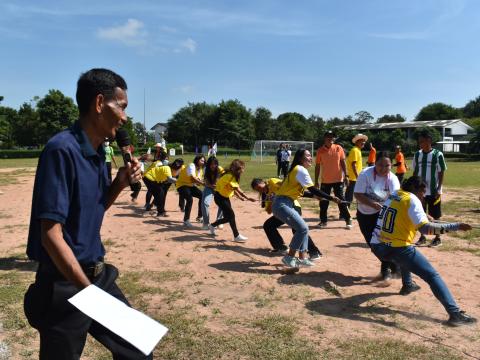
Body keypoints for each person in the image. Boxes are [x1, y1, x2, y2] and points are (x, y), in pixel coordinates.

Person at [23, 68, 151, 359]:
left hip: (96, 276)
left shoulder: (97, 153)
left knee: (140, 349)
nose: (124, 117)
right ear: (98, 104)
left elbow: (92, 209)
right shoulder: (61, 150)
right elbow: (50, 234)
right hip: (64, 285)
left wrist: (118, 184)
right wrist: (87, 293)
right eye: (121, 106)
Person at [370, 176, 477, 327]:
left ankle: (408, 285)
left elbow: (401, 212)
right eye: (422, 192)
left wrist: (422, 215)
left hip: (377, 246)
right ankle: (455, 314)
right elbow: (426, 229)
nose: (423, 196)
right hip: (396, 248)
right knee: (432, 275)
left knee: (407, 256)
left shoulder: (396, 194)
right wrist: (456, 226)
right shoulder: (412, 199)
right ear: (415, 189)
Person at [272, 149, 342, 268]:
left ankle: (302, 258)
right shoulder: (301, 169)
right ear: (300, 158)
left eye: (311, 156)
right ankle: (289, 257)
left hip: (285, 203)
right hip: (282, 204)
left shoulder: (296, 170)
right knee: (303, 228)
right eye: (308, 156)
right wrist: (331, 198)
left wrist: (315, 196)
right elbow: (313, 189)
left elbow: (303, 192)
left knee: (303, 228)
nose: (311, 158)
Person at [354, 151, 400, 280]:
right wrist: (373, 204)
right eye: (380, 165)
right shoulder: (365, 174)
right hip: (365, 214)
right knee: (373, 244)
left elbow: (397, 198)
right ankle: (394, 267)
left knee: (382, 242)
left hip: (383, 214)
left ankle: (387, 271)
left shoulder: (393, 179)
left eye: (387, 165)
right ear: (375, 163)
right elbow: (358, 194)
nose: (384, 169)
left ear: (391, 165)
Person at [251, 177, 322, 259]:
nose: (260, 190)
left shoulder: (272, 182)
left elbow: (290, 188)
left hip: (293, 206)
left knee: (298, 229)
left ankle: (314, 252)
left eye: (260, 187)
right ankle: (280, 247)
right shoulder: (266, 196)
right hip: (282, 211)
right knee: (268, 225)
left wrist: (312, 195)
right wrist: (270, 201)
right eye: (258, 190)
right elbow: (269, 211)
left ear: (263, 182)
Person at [412, 131, 447, 247]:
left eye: (422, 141)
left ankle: (438, 238)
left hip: (433, 191)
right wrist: (414, 188)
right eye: (419, 141)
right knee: (420, 214)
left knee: (435, 215)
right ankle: (422, 237)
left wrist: (439, 188)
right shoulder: (417, 155)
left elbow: (441, 172)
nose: (420, 143)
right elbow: (415, 172)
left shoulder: (438, 154)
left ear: (429, 141)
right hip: (420, 192)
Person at [208, 159, 255, 241]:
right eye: (242, 168)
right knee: (231, 215)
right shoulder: (230, 176)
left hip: (224, 197)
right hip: (220, 198)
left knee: (228, 217)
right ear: (237, 169)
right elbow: (236, 188)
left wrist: (240, 197)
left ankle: (212, 225)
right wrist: (247, 197)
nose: (243, 170)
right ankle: (236, 236)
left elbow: (232, 188)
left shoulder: (232, 175)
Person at [314, 130, 352, 229]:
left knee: (341, 200)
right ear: (324, 138)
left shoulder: (338, 148)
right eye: (328, 137)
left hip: (338, 179)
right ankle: (323, 221)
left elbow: (343, 162)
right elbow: (317, 166)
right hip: (325, 180)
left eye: (332, 137)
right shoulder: (320, 151)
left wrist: (346, 176)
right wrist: (316, 181)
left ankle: (348, 219)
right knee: (323, 201)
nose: (331, 138)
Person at [176, 155, 205, 227]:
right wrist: (203, 183)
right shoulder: (192, 165)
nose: (203, 162)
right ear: (197, 160)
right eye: (201, 160)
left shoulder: (200, 170)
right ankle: (186, 220)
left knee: (202, 195)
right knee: (190, 199)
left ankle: (199, 217)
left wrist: (201, 182)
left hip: (190, 186)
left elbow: (197, 182)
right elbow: (193, 179)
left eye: (204, 161)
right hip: (181, 185)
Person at [201, 156, 224, 230]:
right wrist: (211, 186)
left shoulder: (220, 169)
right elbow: (205, 183)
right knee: (205, 203)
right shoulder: (205, 169)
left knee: (222, 204)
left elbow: (225, 179)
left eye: (215, 164)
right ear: (208, 165)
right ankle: (206, 222)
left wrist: (218, 186)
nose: (213, 166)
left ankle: (219, 222)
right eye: (211, 164)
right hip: (209, 187)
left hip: (219, 188)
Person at [345, 133, 368, 209]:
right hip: (353, 178)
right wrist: (358, 177)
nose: (363, 142)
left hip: (355, 178)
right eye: (361, 140)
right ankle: (344, 213)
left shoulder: (358, 150)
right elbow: (353, 165)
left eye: (364, 141)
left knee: (355, 195)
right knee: (349, 196)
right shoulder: (355, 150)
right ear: (357, 142)